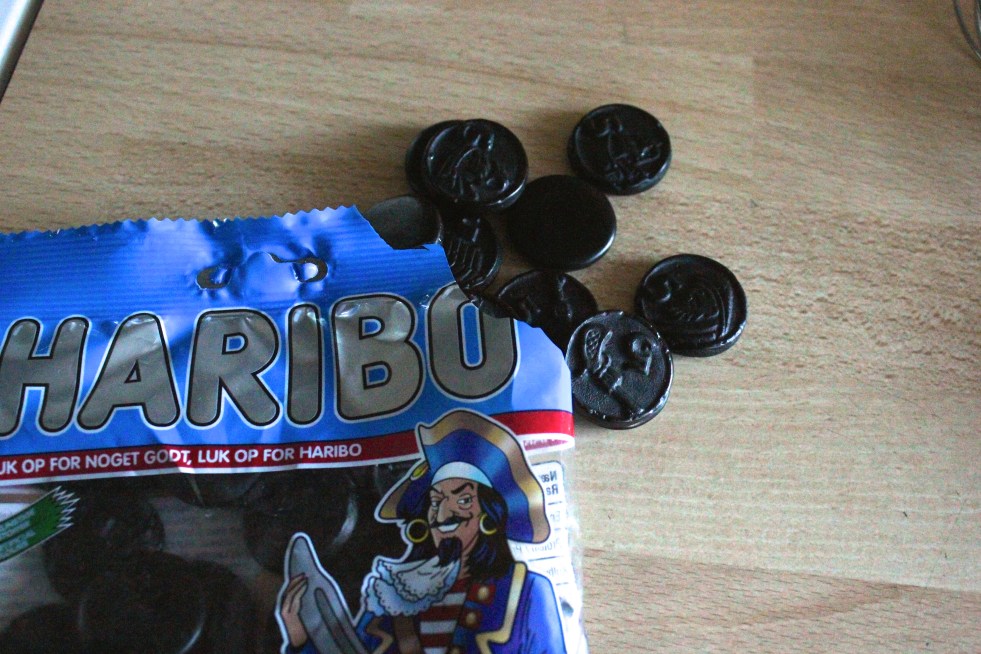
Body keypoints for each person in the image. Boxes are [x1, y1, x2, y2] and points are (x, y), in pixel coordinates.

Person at [278, 409, 567, 654]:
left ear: (488, 516)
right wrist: (303, 640)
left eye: (463, 500)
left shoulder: (527, 593)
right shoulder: (392, 595)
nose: (443, 515)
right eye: (436, 501)